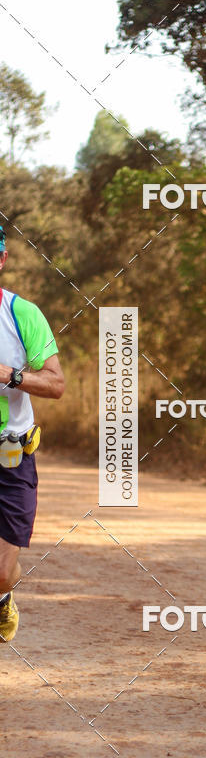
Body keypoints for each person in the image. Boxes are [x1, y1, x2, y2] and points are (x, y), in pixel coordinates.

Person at [0, 226, 65, 643]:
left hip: (11, 456)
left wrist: (10, 374)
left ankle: (3, 595)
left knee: (2, 570)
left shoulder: (23, 314)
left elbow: (56, 385)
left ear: (2, 259)